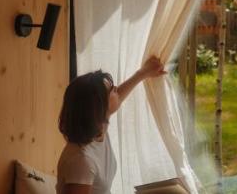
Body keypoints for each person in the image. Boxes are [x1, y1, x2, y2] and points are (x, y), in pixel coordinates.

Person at [56, 56, 166, 194]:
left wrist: (143, 73)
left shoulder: (97, 131)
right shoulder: (81, 161)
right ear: (98, 109)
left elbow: (118, 95)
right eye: (111, 90)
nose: (116, 89)